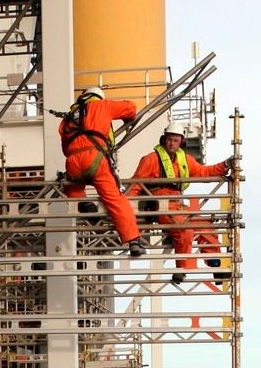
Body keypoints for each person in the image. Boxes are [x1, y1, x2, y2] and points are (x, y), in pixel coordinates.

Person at [129, 121, 232, 284]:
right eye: (169, 139)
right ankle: (182, 270)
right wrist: (125, 210)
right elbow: (134, 186)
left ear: (181, 142)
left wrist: (225, 165)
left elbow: (204, 172)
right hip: (161, 205)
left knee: (207, 226)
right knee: (185, 230)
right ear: (164, 140)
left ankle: (216, 267)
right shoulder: (150, 159)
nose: (172, 143)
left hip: (178, 204)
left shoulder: (184, 160)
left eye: (175, 140)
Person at [59, 86, 145, 257]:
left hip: (73, 161)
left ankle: (84, 205)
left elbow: (64, 146)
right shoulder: (102, 105)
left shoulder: (67, 118)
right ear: (98, 97)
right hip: (95, 158)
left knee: (71, 187)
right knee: (115, 199)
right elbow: (131, 108)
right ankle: (133, 240)